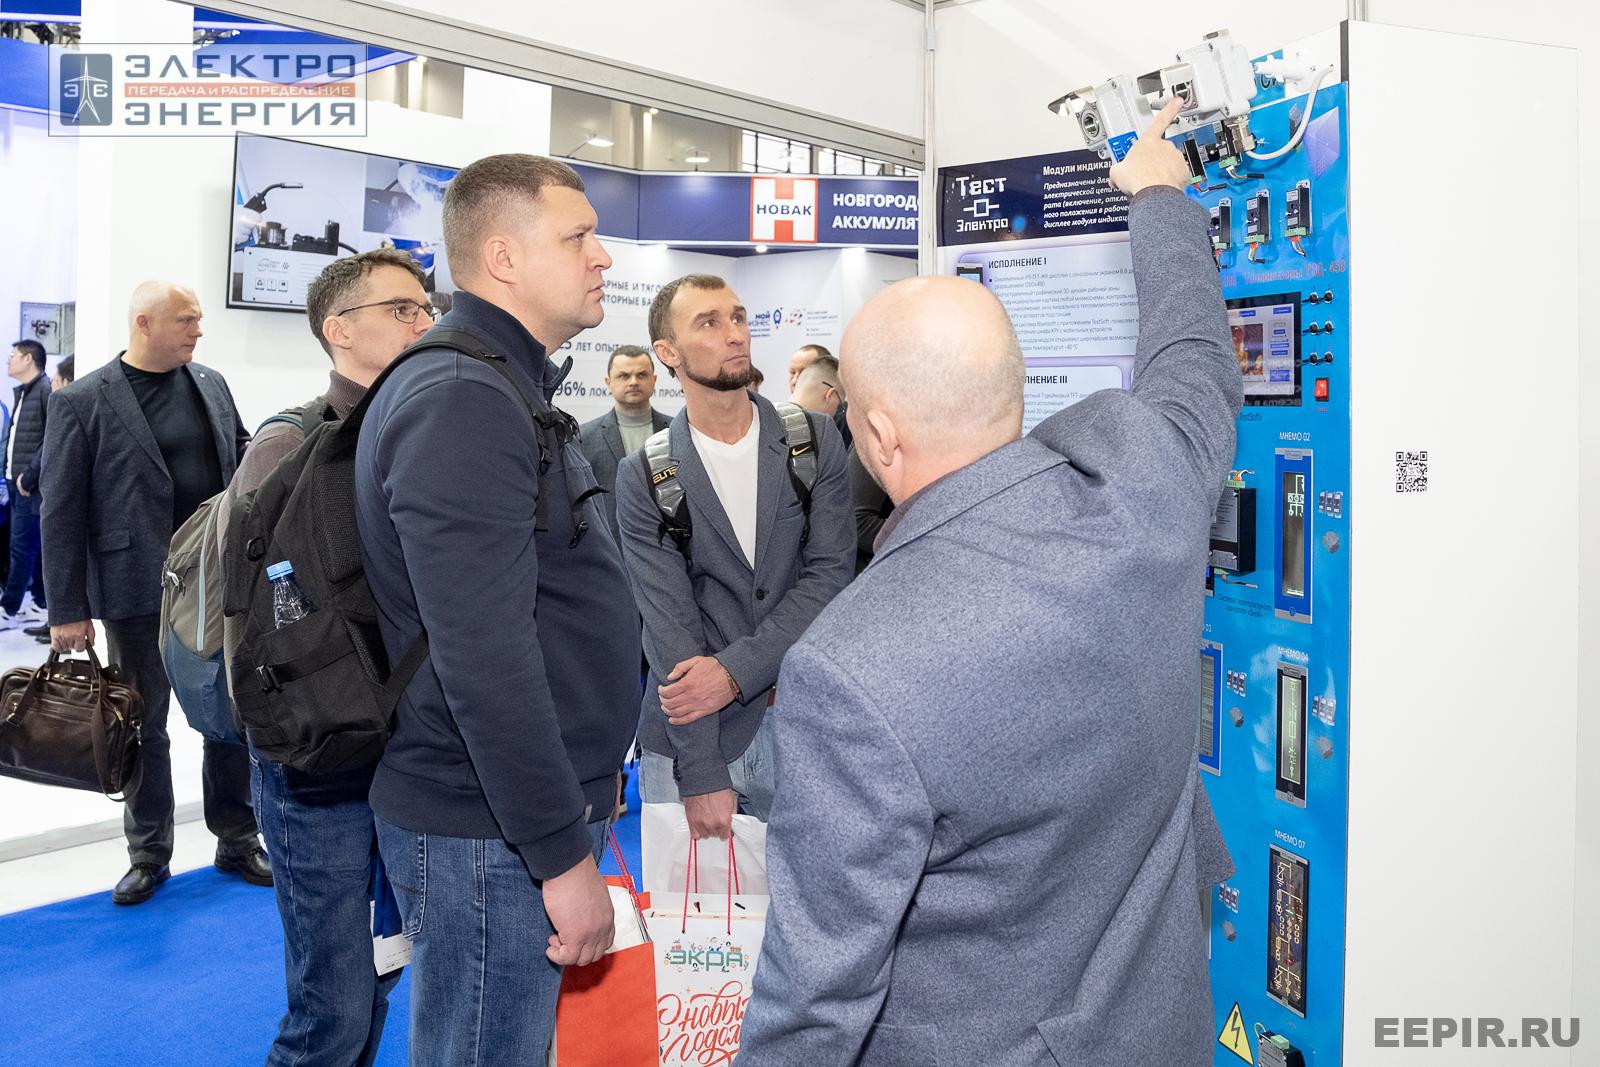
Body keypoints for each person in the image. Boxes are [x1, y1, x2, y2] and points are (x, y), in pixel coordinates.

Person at [739, 101, 1241, 1064]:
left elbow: (813, 1003)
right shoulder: (1145, 487)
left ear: (879, 434)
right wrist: (1160, 197)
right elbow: (1193, 361)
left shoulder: (850, 669)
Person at [354, 154, 640, 1065]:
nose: (602, 256)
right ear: (504, 257)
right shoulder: (462, 399)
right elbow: (484, 655)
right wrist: (559, 854)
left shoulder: (494, 382)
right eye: (578, 236)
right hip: (486, 830)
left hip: (501, 818)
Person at [228, 249, 434, 1067]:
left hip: (409, 747)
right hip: (317, 759)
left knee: (378, 978)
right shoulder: (289, 444)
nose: (424, 322)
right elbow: (247, 618)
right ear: (338, 329)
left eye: (426, 308)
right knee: (333, 1008)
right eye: (402, 309)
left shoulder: (424, 429)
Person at [41, 281, 268, 905]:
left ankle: (237, 836)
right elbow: (60, 512)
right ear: (144, 323)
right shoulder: (82, 401)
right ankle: (148, 853)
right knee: (143, 723)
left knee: (228, 715)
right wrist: (67, 610)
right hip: (134, 588)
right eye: (186, 320)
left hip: (215, 582)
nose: (199, 329)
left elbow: (243, 459)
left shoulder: (212, 384)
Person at [615, 274, 854, 840]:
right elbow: (669, 627)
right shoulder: (645, 474)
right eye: (709, 322)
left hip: (801, 725)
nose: (735, 334)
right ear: (668, 353)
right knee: (694, 903)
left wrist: (732, 673)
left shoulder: (814, 441)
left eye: (738, 317)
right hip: (689, 739)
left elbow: (830, 578)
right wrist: (699, 769)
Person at [579, 344, 670, 542]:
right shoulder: (583, 438)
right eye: (624, 376)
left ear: (654, 380)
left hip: (670, 544)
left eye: (642, 375)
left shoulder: (677, 431)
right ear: (608, 382)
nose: (633, 382)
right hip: (610, 546)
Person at [1, 340, 51, 629]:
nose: (8, 361)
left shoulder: (44, 390)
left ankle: (8, 609)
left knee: (21, 548)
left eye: (13, 356)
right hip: (16, 481)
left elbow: (51, 437)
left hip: (28, 485)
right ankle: (38, 602)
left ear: (28, 359)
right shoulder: (24, 392)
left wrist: (29, 476)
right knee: (31, 545)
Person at [790, 352, 852, 449]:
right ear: (830, 395)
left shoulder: (766, 416)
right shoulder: (823, 430)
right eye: (839, 405)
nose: (837, 411)